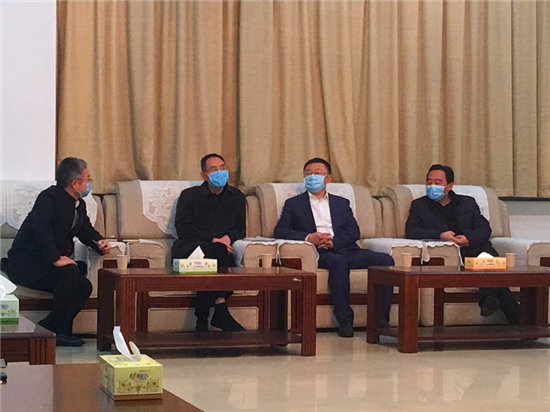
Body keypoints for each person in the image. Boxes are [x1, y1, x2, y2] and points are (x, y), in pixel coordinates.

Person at [273, 158, 395, 338]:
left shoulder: (341, 203)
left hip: (345, 248)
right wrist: (310, 237)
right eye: (308, 173)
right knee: (338, 262)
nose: (312, 177)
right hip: (318, 252)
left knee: (385, 260)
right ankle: (345, 321)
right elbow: (280, 230)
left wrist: (335, 242)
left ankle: (381, 320)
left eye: (317, 173)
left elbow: (354, 231)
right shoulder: (294, 204)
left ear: (328, 178)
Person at [2, 158, 111, 346]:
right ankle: (57, 332)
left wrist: (99, 242)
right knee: (70, 272)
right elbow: (41, 229)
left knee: (83, 286)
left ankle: (50, 329)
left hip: (47, 267)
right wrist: (56, 258)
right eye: (87, 178)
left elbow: (85, 230)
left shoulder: (78, 205)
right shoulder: (49, 198)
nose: (89, 183)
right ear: (75, 183)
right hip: (27, 265)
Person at [405, 164, 520, 324]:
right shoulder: (419, 205)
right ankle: (505, 309)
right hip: (449, 253)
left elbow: (484, 229)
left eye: (438, 182)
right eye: (429, 182)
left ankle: (492, 300)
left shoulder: (467, 203)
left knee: (488, 257)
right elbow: (411, 231)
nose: (432, 186)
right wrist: (440, 235)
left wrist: (468, 238)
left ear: (450, 186)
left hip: (474, 248)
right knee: (494, 272)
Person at [171, 153, 247, 333]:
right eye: (213, 169)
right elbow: (183, 228)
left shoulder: (237, 197)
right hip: (191, 247)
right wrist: (212, 239)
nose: (220, 172)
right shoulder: (189, 196)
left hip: (220, 250)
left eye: (223, 168)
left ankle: (203, 320)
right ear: (204, 175)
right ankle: (220, 309)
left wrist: (227, 238)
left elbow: (240, 228)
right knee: (216, 253)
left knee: (215, 255)